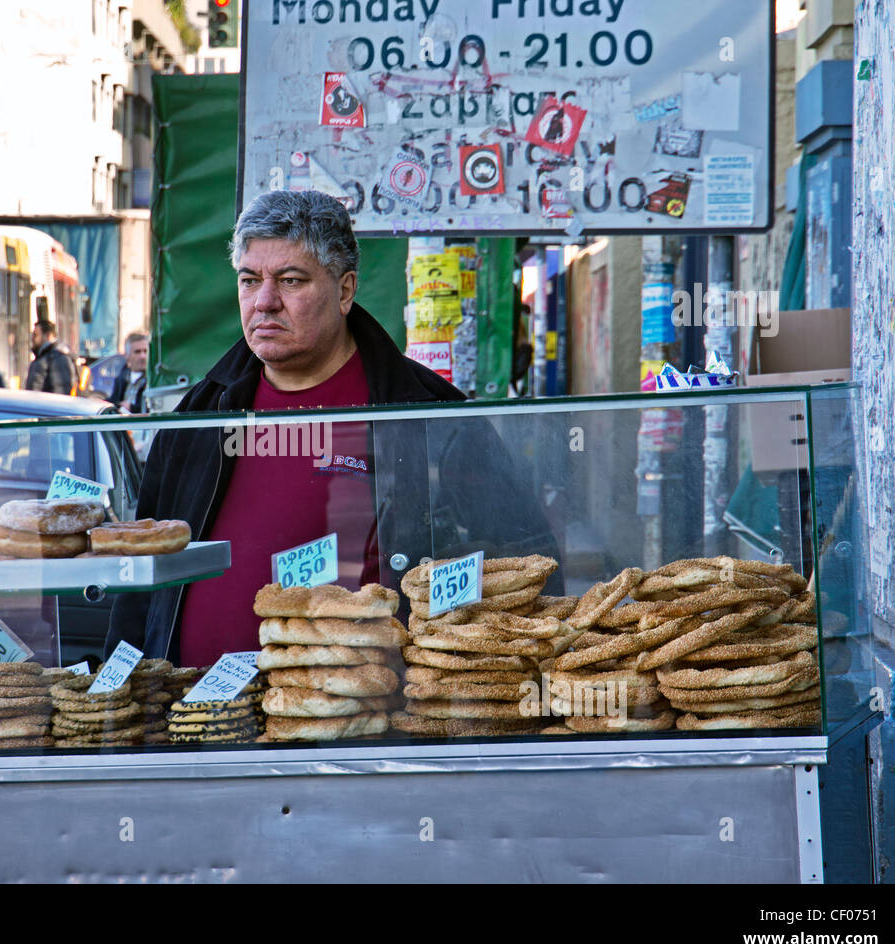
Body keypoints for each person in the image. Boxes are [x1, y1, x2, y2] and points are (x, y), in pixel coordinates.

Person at [105, 191, 558, 666]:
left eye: (291, 280)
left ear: (344, 291)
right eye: (249, 280)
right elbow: (140, 586)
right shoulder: (202, 412)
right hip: (196, 718)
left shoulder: (429, 413)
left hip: (362, 721)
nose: (264, 302)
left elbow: (527, 570)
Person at [26, 319, 78, 395]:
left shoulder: (58, 358)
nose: (32, 339)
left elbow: (61, 392)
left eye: (35, 335)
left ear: (48, 336)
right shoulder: (44, 357)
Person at [108, 332, 150, 413]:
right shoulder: (121, 379)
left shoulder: (154, 381)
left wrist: (132, 408)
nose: (143, 356)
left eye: (145, 351)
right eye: (137, 352)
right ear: (127, 355)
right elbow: (113, 402)